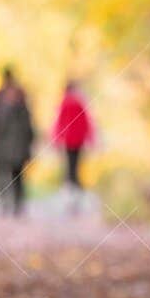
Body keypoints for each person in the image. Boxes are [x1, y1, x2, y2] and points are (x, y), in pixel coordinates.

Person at [0, 67, 35, 216]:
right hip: (15, 145)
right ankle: (15, 204)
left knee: (5, 175)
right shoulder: (19, 97)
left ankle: (7, 203)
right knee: (16, 176)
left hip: (3, 144)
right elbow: (28, 124)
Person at [51, 80, 95, 211]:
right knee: (75, 168)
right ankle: (75, 198)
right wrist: (90, 138)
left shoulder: (65, 103)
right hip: (78, 140)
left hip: (68, 141)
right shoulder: (79, 103)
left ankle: (72, 198)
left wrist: (57, 139)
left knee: (70, 169)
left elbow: (59, 123)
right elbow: (86, 122)